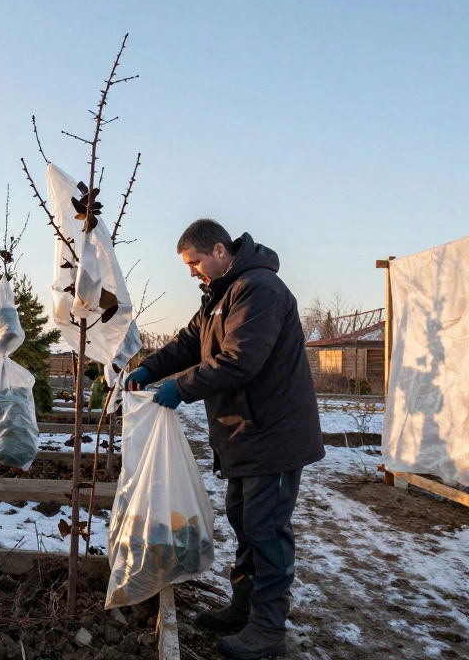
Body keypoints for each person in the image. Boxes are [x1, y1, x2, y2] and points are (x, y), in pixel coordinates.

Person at [125, 218, 323, 659]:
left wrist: (181, 388)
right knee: (245, 523)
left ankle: (268, 629)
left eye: (195, 263)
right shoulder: (220, 296)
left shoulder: (259, 290)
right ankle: (245, 608)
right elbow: (188, 342)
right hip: (244, 435)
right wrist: (150, 368)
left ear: (218, 250)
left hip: (273, 435)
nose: (192, 272)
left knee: (266, 530)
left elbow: (240, 360)